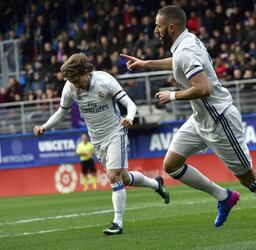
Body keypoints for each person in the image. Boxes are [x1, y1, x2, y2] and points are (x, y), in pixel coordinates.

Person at [120, 5, 256, 247]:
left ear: (171, 27)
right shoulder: (186, 43)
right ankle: (223, 197)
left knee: (248, 178)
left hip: (220, 120)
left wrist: (172, 96)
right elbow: (178, 63)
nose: (155, 31)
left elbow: (204, 88)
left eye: (158, 26)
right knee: (171, 165)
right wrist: (145, 64)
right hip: (201, 118)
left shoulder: (186, 50)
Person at [33, 53, 170, 235]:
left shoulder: (105, 81)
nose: (75, 85)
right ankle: (156, 184)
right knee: (125, 178)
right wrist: (45, 126)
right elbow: (61, 112)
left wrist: (129, 118)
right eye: (71, 81)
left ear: (86, 72)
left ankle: (117, 223)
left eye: (76, 80)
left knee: (113, 176)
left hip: (116, 132)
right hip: (96, 139)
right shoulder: (70, 87)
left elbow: (130, 104)